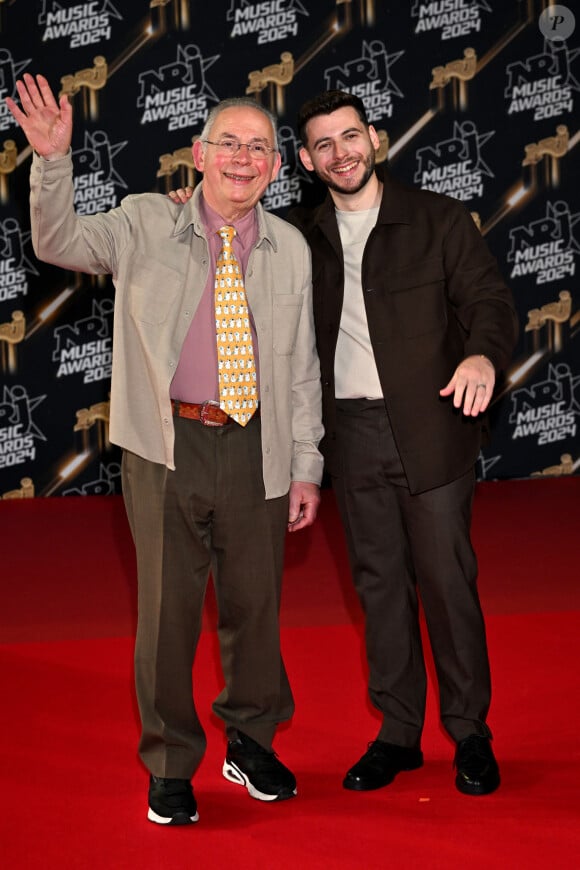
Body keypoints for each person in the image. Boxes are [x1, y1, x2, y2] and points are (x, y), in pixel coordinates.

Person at [6, 74, 324, 825]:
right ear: (198, 153)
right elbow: (57, 242)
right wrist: (53, 162)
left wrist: (307, 463)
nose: (241, 159)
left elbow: (303, 365)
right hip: (165, 447)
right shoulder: (145, 223)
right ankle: (170, 765)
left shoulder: (291, 249)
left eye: (258, 148)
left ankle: (249, 743)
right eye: (228, 144)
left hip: (259, 447)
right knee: (167, 615)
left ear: (276, 167)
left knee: (256, 608)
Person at [289, 90, 518, 796]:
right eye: (323, 144)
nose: (340, 153)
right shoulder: (301, 237)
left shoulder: (438, 219)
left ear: (377, 139)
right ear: (305, 159)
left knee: (448, 585)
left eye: (350, 137)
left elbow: (491, 304)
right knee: (380, 587)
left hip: (433, 428)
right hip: (351, 437)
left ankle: (470, 733)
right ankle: (397, 733)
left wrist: (482, 356)